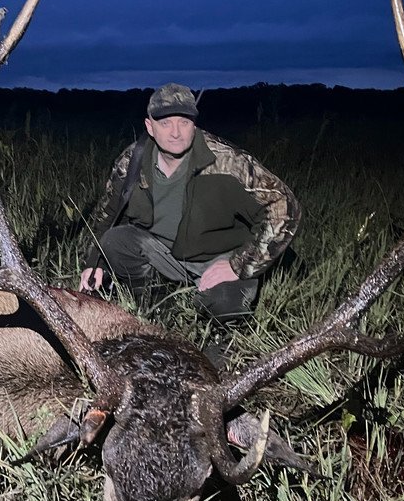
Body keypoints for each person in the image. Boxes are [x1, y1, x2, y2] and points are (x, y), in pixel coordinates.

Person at [79, 83, 300, 322]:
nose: (175, 132)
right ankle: (155, 304)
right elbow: (106, 214)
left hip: (218, 257)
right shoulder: (131, 161)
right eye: (165, 123)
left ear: (194, 125)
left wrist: (239, 264)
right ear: (149, 127)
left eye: (184, 122)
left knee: (225, 305)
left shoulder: (228, 162)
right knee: (115, 241)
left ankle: (215, 331)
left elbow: (285, 205)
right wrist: (95, 262)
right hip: (162, 251)